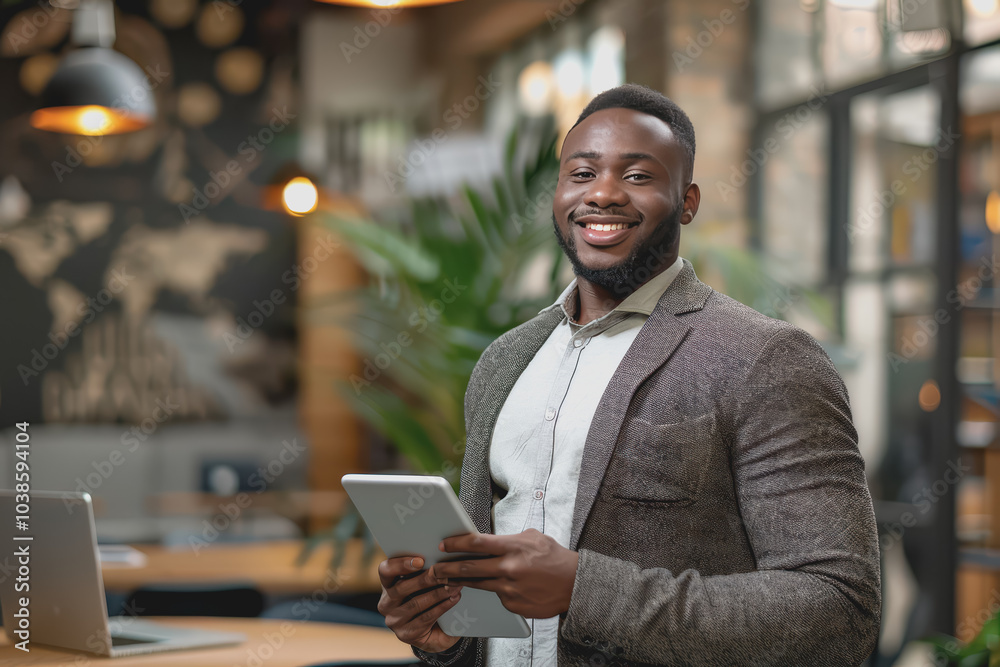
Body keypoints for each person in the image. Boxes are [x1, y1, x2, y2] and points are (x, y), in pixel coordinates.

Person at [376, 83, 881, 666]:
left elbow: (838, 611)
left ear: (687, 202)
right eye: (582, 174)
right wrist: (447, 635)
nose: (604, 195)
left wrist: (581, 590)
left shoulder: (765, 358)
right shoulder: (504, 361)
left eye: (638, 177)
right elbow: (487, 601)